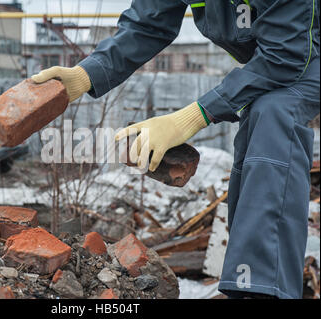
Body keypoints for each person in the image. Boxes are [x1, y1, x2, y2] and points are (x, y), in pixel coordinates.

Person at [32, 0, 320, 299]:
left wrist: (193, 116)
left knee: (273, 113)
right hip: (286, 51)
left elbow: (286, 54)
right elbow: (147, 23)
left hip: (299, 51)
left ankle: (267, 290)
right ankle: (250, 284)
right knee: (256, 120)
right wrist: (86, 74)